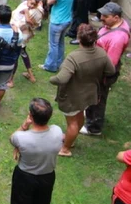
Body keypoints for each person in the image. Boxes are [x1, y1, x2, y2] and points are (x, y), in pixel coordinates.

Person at [49, 24, 115, 157]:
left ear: (79, 39)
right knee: (79, 117)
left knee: (72, 122)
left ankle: (66, 148)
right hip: (89, 94)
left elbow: (62, 79)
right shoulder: (101, 53)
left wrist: (52, 79)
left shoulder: (74, 57)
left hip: (73, 96)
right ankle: (70, 139)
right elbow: (111, 71)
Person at [82, 2, 131, 136]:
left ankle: (94, 128)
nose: (102, 18)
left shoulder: (118, 38)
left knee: (98, 99)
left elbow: (110, 64)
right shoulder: (116, 24)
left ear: (116, 17)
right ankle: (90, 115)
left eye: (106, 16)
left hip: (102, 74)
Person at [9, 98, 63, 204]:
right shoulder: (57, 131)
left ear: (31, 116)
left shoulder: (21, 138)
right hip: (47, 177)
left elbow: (12, 138)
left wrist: (24, 125)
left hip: (24, 177)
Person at [40, 0, 78, 73]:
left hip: (58, 20)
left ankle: (50, 65)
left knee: (53, 44)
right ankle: (59, 63)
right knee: (60, 43)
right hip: (66, 19)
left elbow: (49, 1)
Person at [9, 0, 44, 84]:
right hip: (24, 34)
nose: (31, 6)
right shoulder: (30, 7)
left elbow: (29, 21)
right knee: (23, 53)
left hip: (21, 34)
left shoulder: (30, 10)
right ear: (28, 0)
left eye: (34, 4)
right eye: (31, 3)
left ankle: (11, 80)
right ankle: (30, 75)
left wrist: (26, 12)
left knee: (15, 56)